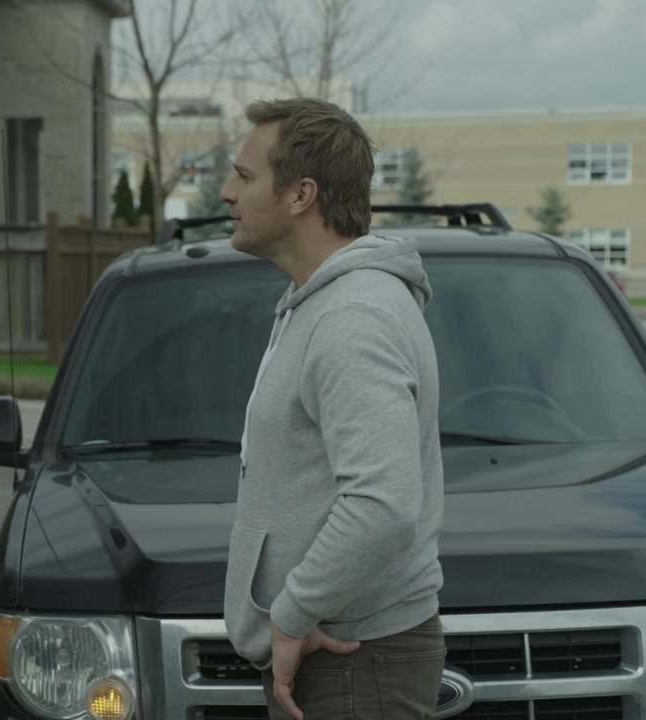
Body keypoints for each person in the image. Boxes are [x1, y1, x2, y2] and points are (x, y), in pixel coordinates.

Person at [220, 97, 446, 720]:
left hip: (350, 660)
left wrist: (291, 615)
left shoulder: (352, 318)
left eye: (243, 176)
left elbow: (383, 505)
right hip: (345, 656)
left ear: (301, 195)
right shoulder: (322, 303)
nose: (226, 192)